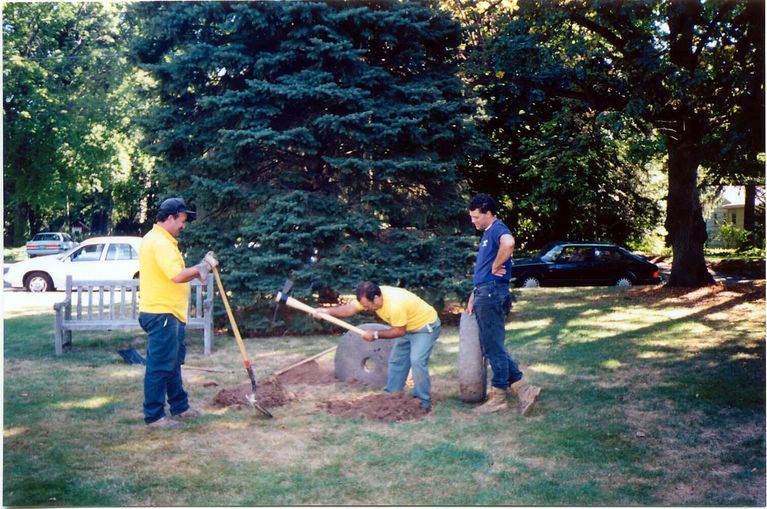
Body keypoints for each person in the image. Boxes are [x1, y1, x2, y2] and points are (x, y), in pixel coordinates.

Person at [139, 197, 218, 429]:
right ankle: (154, 416)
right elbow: (176, 275)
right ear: (171, 217)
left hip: (169, 312)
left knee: (172, 363)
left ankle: (180, 407)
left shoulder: (161, 240)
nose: (183, 225)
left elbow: (176, 275)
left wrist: (197, 272)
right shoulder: (160, 242)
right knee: (160, 365)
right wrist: (201, 267)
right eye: (182, 220)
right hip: (162, 313)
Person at [467, 194, 541, 415]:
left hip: (490, 293)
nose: (473, 221)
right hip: (485, 292)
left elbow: (509, 243)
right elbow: (484, 268)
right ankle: (522, 387)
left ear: (488, 213)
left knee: (492, 347)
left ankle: (498, 396)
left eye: (476, 217)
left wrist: (496, 265)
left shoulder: (498, 228)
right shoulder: (489, 233)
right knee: (492, 344)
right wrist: (474, 292)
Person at [314, 281, 441, 411]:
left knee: (417, 361)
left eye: (368, 306)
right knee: (397, 361)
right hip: (406, 326)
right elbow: (350, 308)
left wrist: (375, 335)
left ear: (376, 298)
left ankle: (422, 401)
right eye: (363, 306)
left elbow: (399, 331)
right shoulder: (369, 295)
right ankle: (392, 395)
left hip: (425, 327)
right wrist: (326, 311)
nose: (366, 309)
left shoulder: (395, 305)